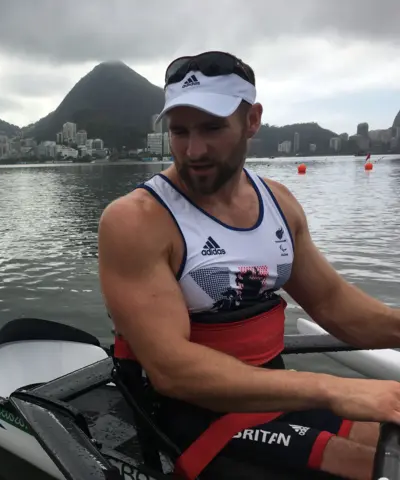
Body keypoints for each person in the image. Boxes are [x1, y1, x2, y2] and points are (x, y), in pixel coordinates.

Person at [97, 51, 400, 480]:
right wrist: (333, 389)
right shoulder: (136, 220)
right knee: (374, 466)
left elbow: (333, 305)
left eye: (212, 128)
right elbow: (171, 369)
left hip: (271, 397)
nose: (193, 149)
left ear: (252, 121)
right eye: (179, 131)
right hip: (185, 418)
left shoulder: (278, 203)